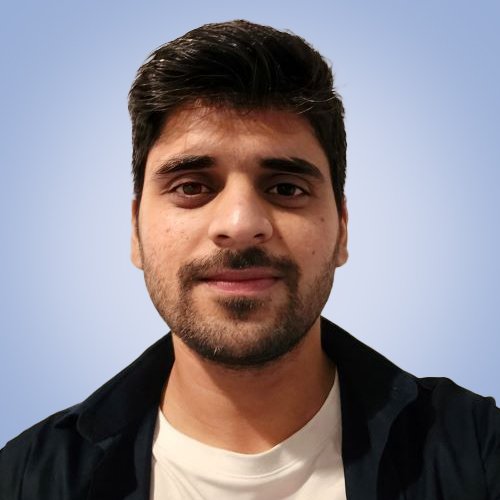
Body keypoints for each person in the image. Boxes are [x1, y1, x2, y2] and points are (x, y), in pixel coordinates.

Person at [1, 19, 499, 500]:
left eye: (285, 188)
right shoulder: (24, 478)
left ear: (342, 229)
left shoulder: (477, 452)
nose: (240, 224)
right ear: (135, 230)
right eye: (191, 187)